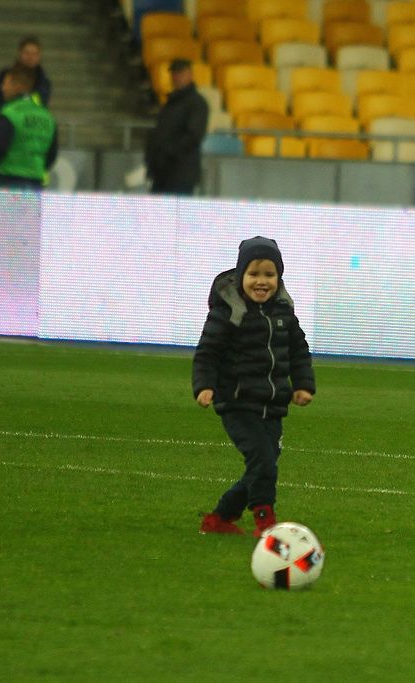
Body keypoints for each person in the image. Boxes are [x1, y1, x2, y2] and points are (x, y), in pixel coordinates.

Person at [192, 236, 316, 536]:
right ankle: (265, 520)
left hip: (272, 404)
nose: (262, 282)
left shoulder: (284, 312)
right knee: (262, 461)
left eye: (269, 275)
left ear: (279, 277)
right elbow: (207, 352)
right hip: (237, 403)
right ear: (241, 276)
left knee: (264, 466)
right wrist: (204, 386)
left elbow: (299, 350)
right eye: (254, 274)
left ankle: (220, 518)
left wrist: (303, 384)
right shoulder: (227, 312)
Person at [0, 64, 58, 190]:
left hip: (9, 182)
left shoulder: (10, 113)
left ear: (17, 86)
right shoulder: (47, 117)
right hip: (36, 184)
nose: (2, 88)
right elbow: (52, 153)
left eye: (5, 83)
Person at [144, 59, 209, 196]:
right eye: (174, 73)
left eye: (181, 73)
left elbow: (193, 136)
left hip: (181, 173)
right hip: (163, 173)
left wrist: (167, 153)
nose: (176, 77)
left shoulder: (197, 103)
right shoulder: (171, 103)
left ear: (190, 74)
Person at [0, 35, 51, 131]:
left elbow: (40, 103)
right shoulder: (6, 75)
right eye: (27, 53)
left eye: (34, 54)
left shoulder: (43, 82)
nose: (30, 57)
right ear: (19, 53)